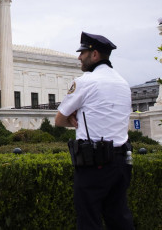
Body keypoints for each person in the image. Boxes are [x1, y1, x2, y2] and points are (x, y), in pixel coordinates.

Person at [55, 32, 135, 230]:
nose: (79, 57)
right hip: (122, 162)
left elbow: (59, 120)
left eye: (83, 52)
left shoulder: (85, 81)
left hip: (95, 163)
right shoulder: (123, 84)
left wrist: (74, 119)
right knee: (119, 216)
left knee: (89, 219)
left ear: (95, 54)